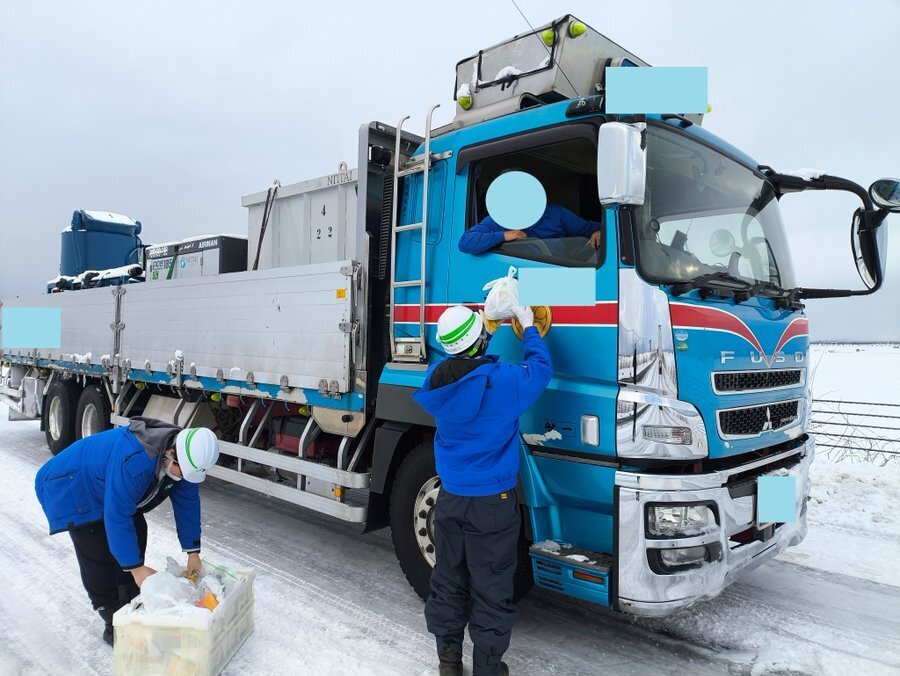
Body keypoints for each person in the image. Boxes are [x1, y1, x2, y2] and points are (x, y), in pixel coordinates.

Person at [413, 305, 553, 676]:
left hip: (451, 498)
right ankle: (488, 667)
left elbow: (459, 358)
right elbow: (541, 370)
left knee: (448, 579)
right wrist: (527, 326)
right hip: (494, 502)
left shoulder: (436, 379)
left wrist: (479, 326)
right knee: (491, 585)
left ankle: (448, 660)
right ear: (480, 340)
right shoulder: (504, 380)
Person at [34, 417, 220, 646]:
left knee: (136, 531)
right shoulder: (136, 460)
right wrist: (136, 568)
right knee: (98, 551)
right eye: (182, 471)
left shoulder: (187, 459)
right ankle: (113, 620)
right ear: (171, 451)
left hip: (104, 483)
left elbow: (188, 503)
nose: (182, 477)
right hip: (71, 484)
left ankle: (130, 601)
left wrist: (193, 553)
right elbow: (117, 515)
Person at [458, 203, 603, 255]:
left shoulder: (555, 213)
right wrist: (505, 235)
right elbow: (465, 242)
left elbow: (590, 228)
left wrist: (598, 232)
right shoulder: (497, 220)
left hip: (559, 271)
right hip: (519, 278)